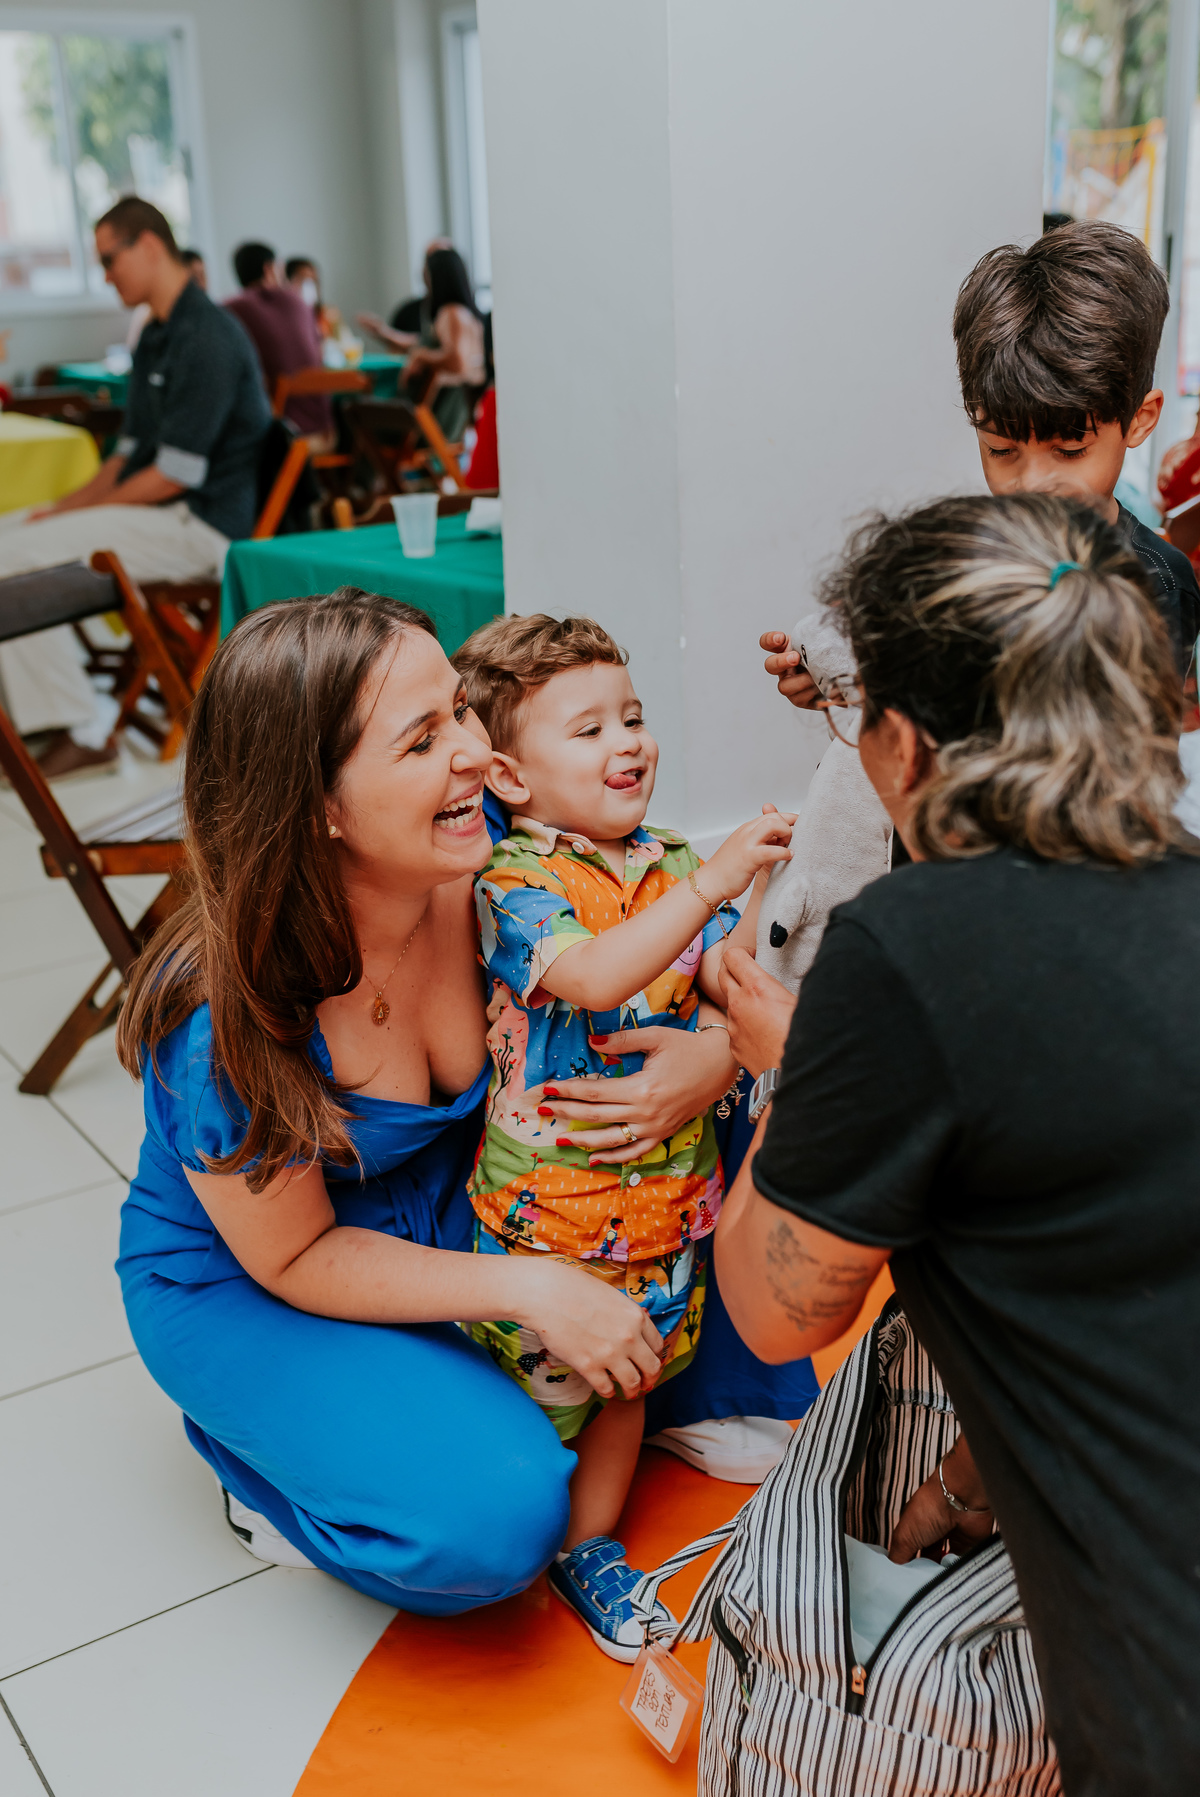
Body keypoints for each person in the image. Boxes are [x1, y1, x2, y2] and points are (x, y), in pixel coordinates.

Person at [113, 587, 771, 1612]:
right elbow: (295, 1252)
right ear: (320, 806)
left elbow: (672, 921)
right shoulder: (221, 1021)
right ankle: (262, 1462)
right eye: (422, 740)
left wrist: (720, 1056)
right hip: (267, 1267)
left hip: (469, 1191)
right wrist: (535, 1291)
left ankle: (632, 1375)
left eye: (461, 710)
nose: (473, 754)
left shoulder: (486, 842)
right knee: (499, 1519)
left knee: (696, 1093)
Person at [716, 492, 1200, 1797]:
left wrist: (793, 1074)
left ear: (903, 746)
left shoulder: (915, 949)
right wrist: (984, 1471)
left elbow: (771, 1310)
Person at [454, 613, 790, 1658]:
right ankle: (485, 1525)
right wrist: (712, 886)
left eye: (633, 718)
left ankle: (589, 1551)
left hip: (662, 1215)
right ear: (508, 775)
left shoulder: (667, 856)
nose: (629, 744)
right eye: (589, 729)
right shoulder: (513, 885)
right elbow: (595, 977)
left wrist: (762, 899)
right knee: (534, 1405)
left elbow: (706, 978)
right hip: (545, 1227)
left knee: (626, 1390)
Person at [0, 196, 269, 780]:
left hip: (200, 525)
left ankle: (73, 731)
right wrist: (60, 509)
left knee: (13, 555)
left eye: (108, 259)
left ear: (149, 245)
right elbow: (125, 458)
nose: (104, 275)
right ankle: (29, 721)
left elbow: (174, 475)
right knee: (12, 531)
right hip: (161, 512)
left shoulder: (208, 335)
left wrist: (66, 519)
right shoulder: (156, 335)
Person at [358, 245, 485, 444]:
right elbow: (421, 343)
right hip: (442, 418)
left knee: (358, 415)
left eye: (427, 271)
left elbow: (458, 361)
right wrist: (384, 333)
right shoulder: (462, 314)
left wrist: (421, 356)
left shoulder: (451, 314)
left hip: (436, 421)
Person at [224, 241, 331, 443]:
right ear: (269, 268)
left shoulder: (231, 309)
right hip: (322, 428)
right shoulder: (300, 302)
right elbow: (320, 354)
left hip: (278, 435)